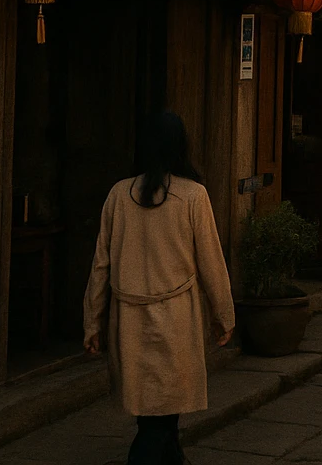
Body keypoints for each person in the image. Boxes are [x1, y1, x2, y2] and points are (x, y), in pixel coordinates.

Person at [83, 110, 236, 465]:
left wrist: (93, 321)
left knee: (154, 413)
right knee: (160, 416)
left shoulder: (118, 195)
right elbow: (212, 263)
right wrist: (224, 315)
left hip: (129, 322)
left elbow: (100, 267)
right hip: (176, 321)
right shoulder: (193, 196)